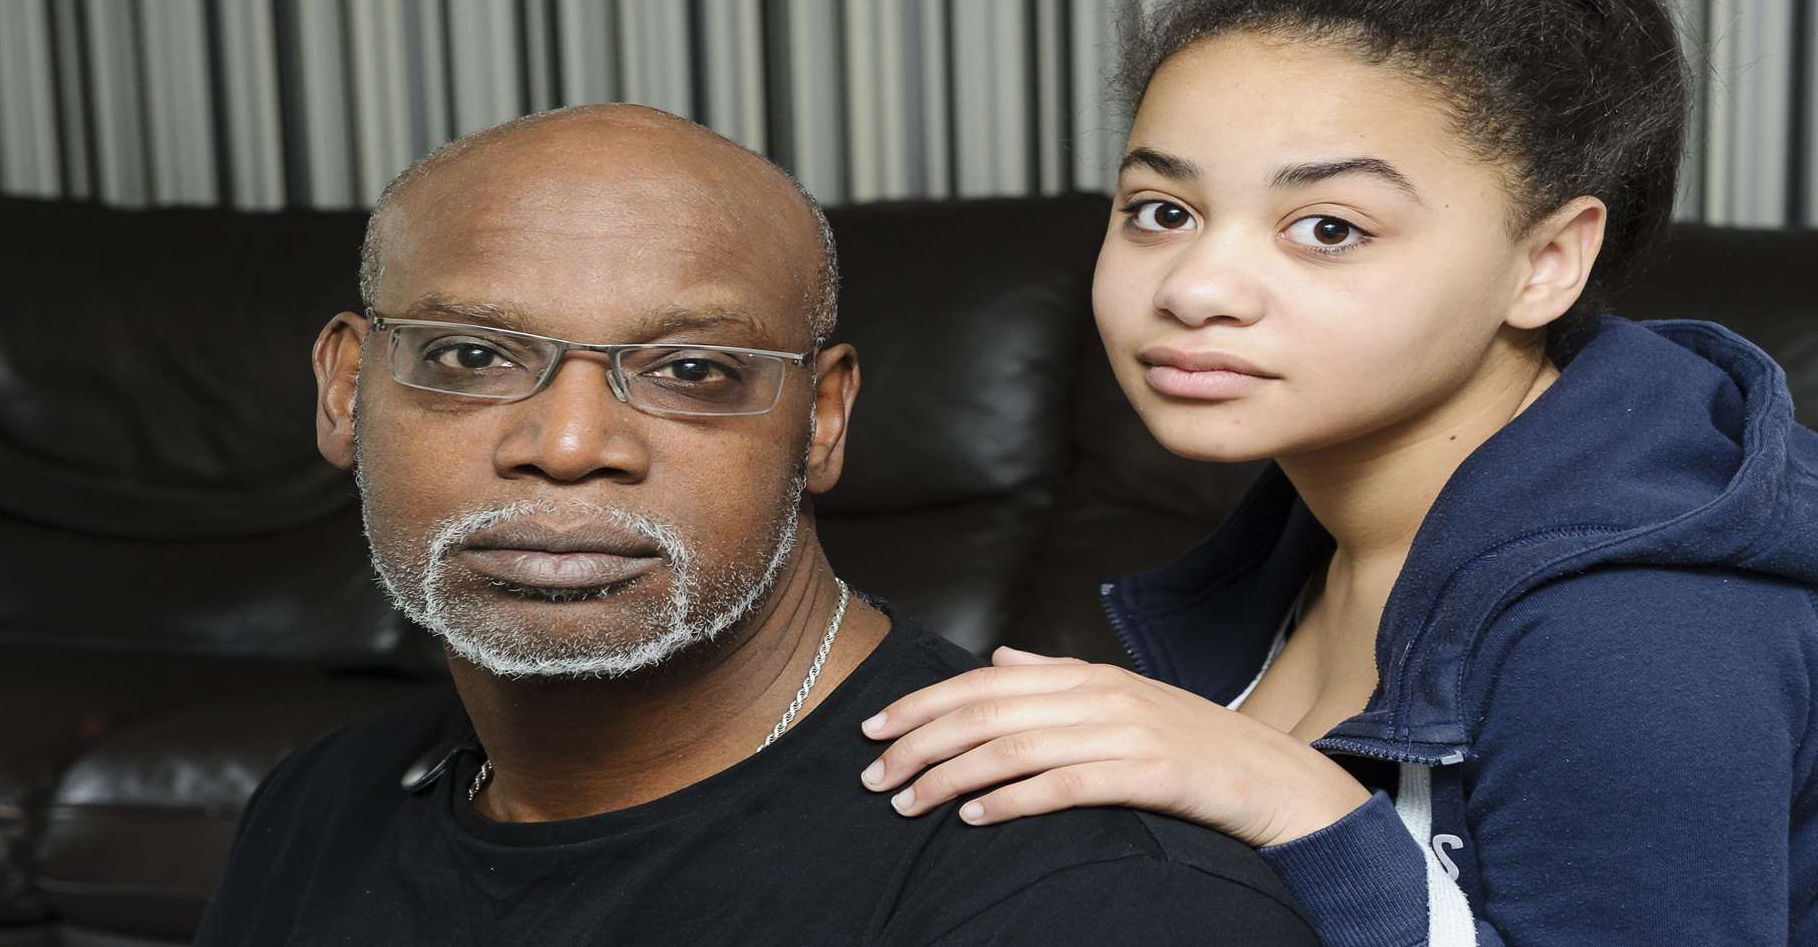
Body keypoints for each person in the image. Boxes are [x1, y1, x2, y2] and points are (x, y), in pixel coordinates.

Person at [856, 0, 1818, 945]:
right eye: (1162, 210)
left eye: (1330, 229)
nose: (1196, 287)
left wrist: (1299, 802)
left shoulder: (1643, 630)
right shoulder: (1320, 532)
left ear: (1546, 264)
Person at [192, 104, 1320, 946]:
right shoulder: (317, 803)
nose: (571, 442)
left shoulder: (1085, 896)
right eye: (472, 356)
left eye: (692, 370)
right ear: (347, 390)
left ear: (823, 419)